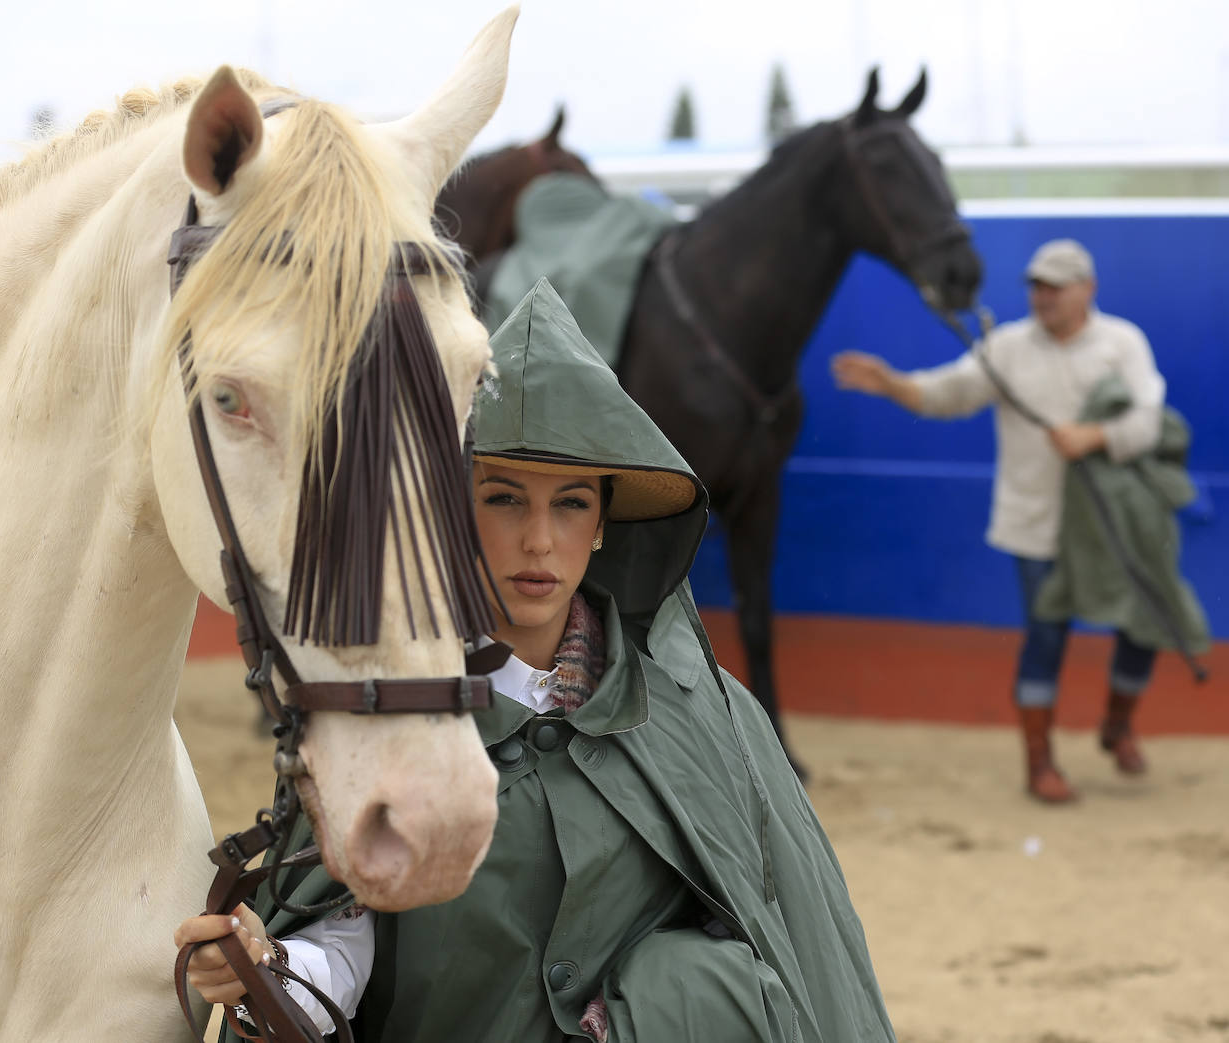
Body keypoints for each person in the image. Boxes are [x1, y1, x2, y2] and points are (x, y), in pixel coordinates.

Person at [176, 279, 897, 1041]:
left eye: (572, 503)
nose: (540, 540)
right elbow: (334, 961)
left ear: (602, 525)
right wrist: (264, 965)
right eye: (506, 499)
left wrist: (646, 1009)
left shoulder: (706, 714)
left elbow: (784, 953)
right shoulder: (372, 713)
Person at [831, 238, 1187, 804]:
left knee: (1143, 624)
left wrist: (1094, 436)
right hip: (1037, 524)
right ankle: (1039, 763)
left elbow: (1149, 419)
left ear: (1087, 290)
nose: (1042, 296)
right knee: (1046, 635)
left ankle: (1117, 725)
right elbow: (949, 392)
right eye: (1036, 286)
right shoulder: (1009, 346)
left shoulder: (1123, 343)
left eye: (1055, 286)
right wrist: (893, 384)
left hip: (1112, 524)